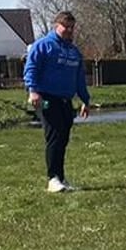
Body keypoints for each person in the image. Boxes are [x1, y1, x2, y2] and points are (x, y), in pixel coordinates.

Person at [24, 10, 92, 192]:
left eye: (72, 28)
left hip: (65, 100)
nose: (69, 31)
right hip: (46, 98)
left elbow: (79, 79)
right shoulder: (43, 46)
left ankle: (60, 178)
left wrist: (85, 100)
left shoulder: (74, 52)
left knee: (63, 137)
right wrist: (33, 91)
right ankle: (52, 178)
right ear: (57, 26)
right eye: (66, 27)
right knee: (54, 135)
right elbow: (31, 68)